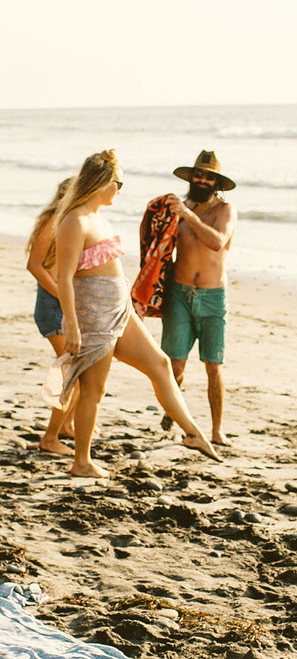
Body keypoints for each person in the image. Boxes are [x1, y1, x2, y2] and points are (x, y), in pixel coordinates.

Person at [52, 149, 221, 477]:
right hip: (94, 314)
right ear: (104, 182)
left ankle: (193, 433)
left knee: (160, 364)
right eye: (119, 183)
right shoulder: (75, 220)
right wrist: (71, 325)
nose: (119, 189)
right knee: (94, 390)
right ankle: (81, 462)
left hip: (119, 308)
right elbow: (64, 277)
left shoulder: (98, 216)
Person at [157, 151, 237, 446]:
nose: (202, 180)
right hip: (178, 293)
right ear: (191, 177)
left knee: (212, 366)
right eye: (198, 175)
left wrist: (187, 215)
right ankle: (173, 412)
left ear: (216, 182)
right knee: (174, 365)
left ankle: (216, 430)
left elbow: (216, 242)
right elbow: (156, 245)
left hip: (213, 295)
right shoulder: (179, 206)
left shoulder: (224, 210)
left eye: (209, 176)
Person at [26, 177, 78, 455]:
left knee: (80, 370)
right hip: (51, 304)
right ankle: (50, 438)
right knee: (73, 373)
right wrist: (61, 294)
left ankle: (66, 427)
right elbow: (34, 265)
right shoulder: (55, 221)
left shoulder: (73, 222)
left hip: (63, 303)